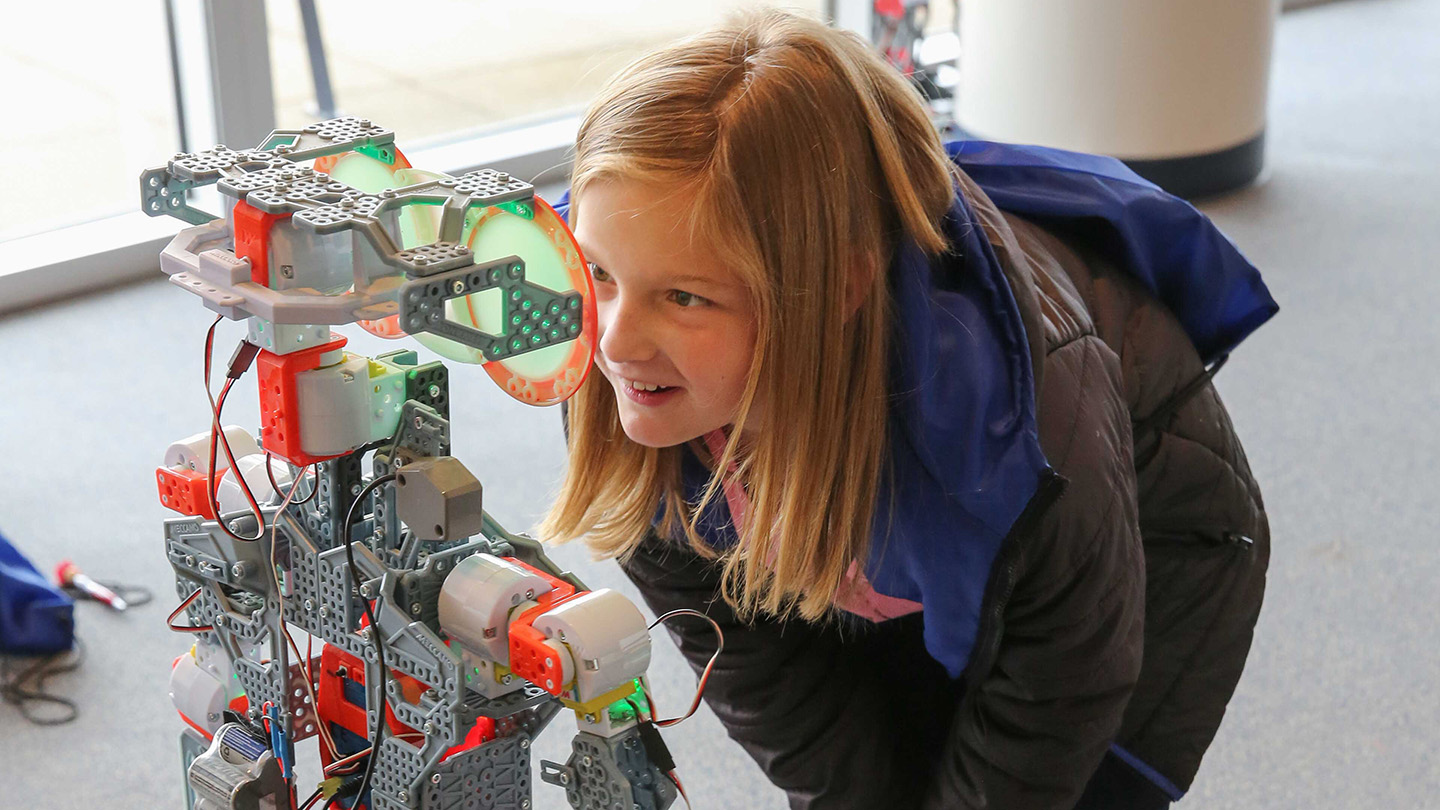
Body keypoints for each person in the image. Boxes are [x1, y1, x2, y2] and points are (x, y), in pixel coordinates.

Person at [540, 9, 1275, 810]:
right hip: (881, 567)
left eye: (684, 296)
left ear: (833, 293)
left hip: (1137, 564)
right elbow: (774, 679)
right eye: (599, 271)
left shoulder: (1012, 436)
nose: (617, 341)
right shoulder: (628, 392)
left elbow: (1059, 693)